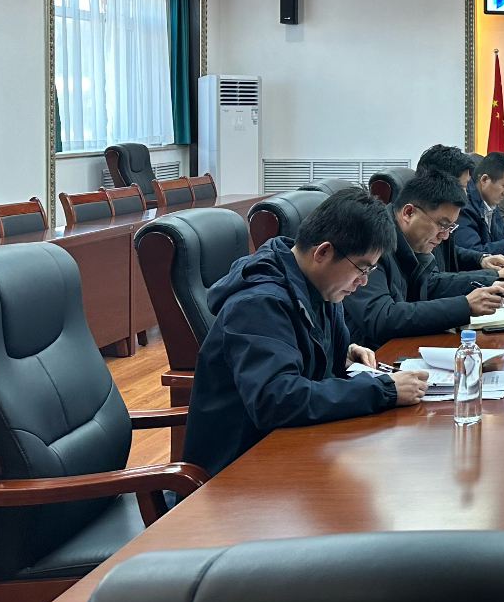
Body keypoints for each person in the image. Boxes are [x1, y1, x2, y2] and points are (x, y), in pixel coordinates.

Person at [183, 189, 430, 476]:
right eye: (361, 269)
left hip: (292, 447)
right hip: (239, 471)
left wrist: (340, 352)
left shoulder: (318, 285)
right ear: (323, 252)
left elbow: (298, 356)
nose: (362, 282)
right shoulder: (258, 304)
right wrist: (384, 390)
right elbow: (276, 400)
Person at [345, 171, 504, 349]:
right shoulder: (371, 239)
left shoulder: (413, 241)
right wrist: (465, 306)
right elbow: (381, 318)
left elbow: (430, 284)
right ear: (408, 213)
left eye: (450, 227)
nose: (445, 236)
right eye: (442, 225)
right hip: (371, 355)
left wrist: (492, 280)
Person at [415, 144, 504, 287]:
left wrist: (481, 259)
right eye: (463, 186)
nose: (465, 193)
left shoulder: (478, 204)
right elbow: (431, 284)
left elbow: (451, 252)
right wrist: (496, 276)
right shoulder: (458, 210)